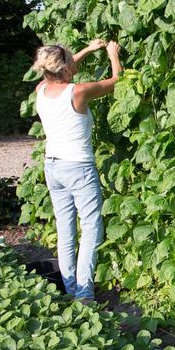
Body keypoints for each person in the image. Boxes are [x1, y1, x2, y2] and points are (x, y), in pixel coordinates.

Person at [30, 39, 122, 303]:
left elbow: (64, 69)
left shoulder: (41, 89)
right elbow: (116, 81)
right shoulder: (78, 92)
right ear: (65, 66)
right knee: (92, 227)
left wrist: (87, 50)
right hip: (78, 167)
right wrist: (112, 54)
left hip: (53, 167)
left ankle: (70, 289)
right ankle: (84, 293)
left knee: (66, 229)